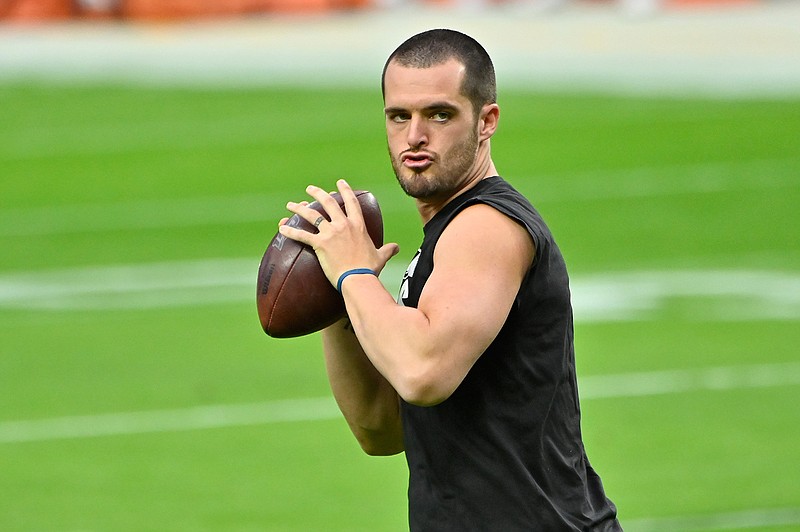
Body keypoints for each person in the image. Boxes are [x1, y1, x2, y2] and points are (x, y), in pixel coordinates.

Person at [278, 28, 621, 531]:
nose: (415, 136)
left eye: (439, 114)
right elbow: (380, 428)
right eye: (400, 116)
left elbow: (423, 374)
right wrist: (339, 302)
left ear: (487, 121)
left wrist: (353, 274)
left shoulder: (486, 226)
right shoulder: (444, 237)